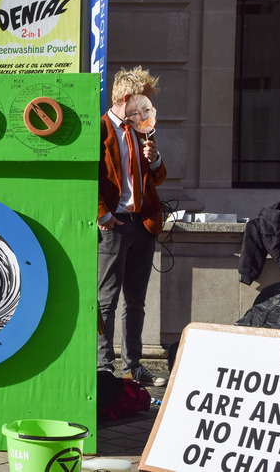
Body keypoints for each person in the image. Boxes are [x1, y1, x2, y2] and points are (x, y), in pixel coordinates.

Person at [97, 66, 167, 387]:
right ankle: (103, 367)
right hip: (114, 226)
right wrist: (103, 215)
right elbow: (89, 178)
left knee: (136, 299)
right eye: (143, 103)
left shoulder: (142, 130)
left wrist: (154, 159)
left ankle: (133, 365)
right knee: (106, 299)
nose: (147, 111)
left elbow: (158, 177)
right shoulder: (100, 131)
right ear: (127, 99)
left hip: (143, 225)